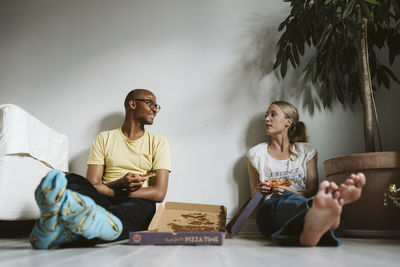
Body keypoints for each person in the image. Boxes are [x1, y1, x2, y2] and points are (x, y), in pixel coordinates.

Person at [30, 89, 171, 249]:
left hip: (136, 201)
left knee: (146, 207)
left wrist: (114, 191)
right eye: (150, 103)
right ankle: (80, 218)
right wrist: (118, 184)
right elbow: (93, 186)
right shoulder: (104, 138)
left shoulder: (159, 142)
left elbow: (159, 193)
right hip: (104, 199)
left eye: (156, 106)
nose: (155, 109)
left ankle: (59, 223)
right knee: (71, 179)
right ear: (132, 104)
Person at [247, 100, 365, 246]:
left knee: (298, 200)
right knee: (283, 203)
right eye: (266, 115)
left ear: (288, 122)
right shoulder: (255, 154)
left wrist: (291, 192)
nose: (267, 119)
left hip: (300, 200)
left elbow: (312, 189)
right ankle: (323, 219)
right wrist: (260, 192)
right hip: (269, 209)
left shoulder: (306, 151)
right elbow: (254, 196)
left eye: (273, 114)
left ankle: (311, 226)